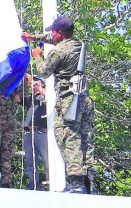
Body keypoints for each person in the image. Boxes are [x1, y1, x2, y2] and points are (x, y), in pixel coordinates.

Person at [22, 16, 95, 193]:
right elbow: (51, 39)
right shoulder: (78, 45)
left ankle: (76, 183)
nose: (51, 34)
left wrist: (37, 57)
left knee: (68, 137)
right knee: (86, 139)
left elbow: (44, 72)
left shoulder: (58, 52)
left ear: (60, 33)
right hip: (85, 98)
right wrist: (35, 37)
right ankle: (89, 182)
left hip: (69, 100)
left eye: (53, 31)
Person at [22, 74, 49, 190]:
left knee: (47, 159)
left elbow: (50, 98)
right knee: (30, 161)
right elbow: (18, 98)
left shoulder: (46, 96)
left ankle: (52, 183)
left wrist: (40, 89)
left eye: (37, 82)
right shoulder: (30, 98)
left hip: (41, 133)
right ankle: (33, 185)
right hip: (29, 133)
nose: (34, 84)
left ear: (42, 83)